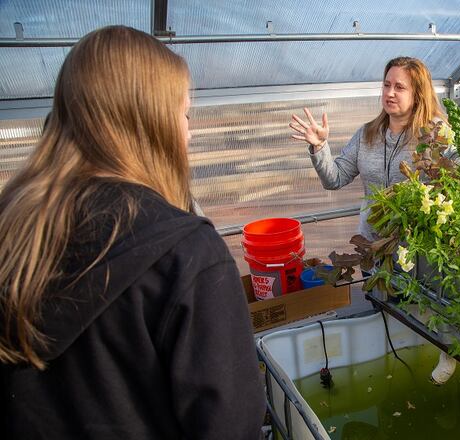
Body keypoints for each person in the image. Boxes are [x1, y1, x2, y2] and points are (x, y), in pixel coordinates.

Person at [0, 26, 265, 439]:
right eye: (186, 114)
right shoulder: (186, 253)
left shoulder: (13, 233)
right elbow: (232, 425)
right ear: (151, 120)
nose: (189, 132)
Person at [290, 56, 453, 241]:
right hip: (372, 247)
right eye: (386, 85)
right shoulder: (367, 133)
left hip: (416, 249)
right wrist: (319, 146)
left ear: (417, 95)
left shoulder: (435, 134)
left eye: (399, 87)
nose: (389, 93)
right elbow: (334, 179)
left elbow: (453, 185)